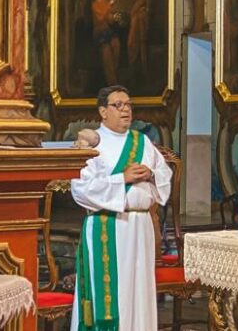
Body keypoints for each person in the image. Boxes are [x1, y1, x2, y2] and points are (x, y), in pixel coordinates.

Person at [70, 85, 172, 330]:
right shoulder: (91, 143)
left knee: (140, 292)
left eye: (128, 104)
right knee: (115, 295)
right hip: (109, 226)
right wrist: (122, 178)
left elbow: (165, 175)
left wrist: (151, 174)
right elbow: (81, 189)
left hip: (141, 227)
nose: (125, 109)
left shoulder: (143, 141)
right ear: (103, 111)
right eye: (118, 105)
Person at [90, 0, 121, 85]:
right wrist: (110, 5)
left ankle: (115, 76)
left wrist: (114, 17)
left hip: (107, 32)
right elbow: (100, 18)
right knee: (106, 50)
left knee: (116, 44)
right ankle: (112, 82)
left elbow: (107, 17)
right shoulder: (93, 2)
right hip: (99, 34)